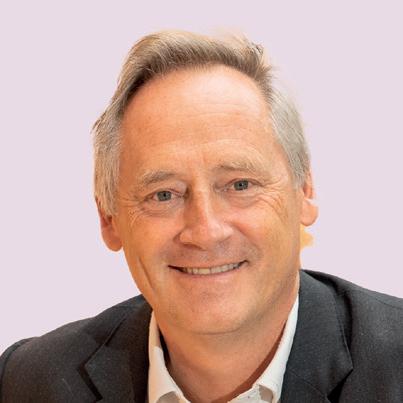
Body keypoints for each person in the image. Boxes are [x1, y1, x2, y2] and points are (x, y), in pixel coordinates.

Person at [1, 30, 403, 403]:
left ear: (305, 191)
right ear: (109, 218)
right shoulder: (29, 382)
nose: (206, 231)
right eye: (163, 195)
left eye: (240, 184)